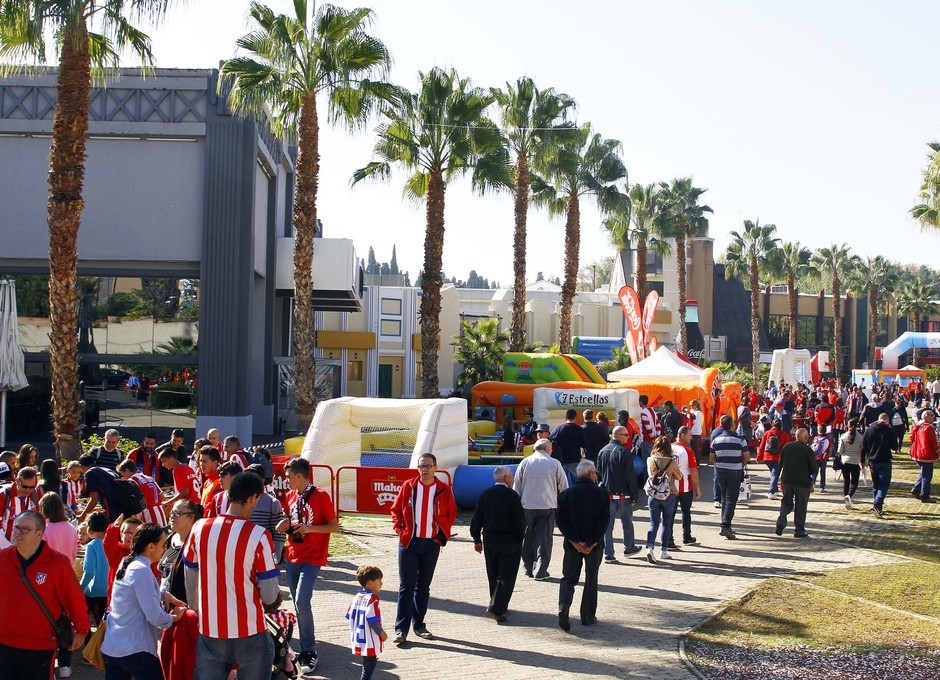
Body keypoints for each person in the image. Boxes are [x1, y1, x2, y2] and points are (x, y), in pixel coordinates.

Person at [184, 472, 281, 680]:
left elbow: (190, 571)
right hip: (249, 628)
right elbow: (270, 595)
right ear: (254, 497)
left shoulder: (199, 528)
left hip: (211, 626)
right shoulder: (259, 535)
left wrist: (196, 608)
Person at [0, 510, 89, 680]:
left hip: (39, 645)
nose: (18, 533)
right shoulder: (3, 559)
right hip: (4, 643)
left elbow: (74, 599)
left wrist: (82, 629)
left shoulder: (57, 563)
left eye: (25, 529)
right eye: (16, 528)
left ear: (39, 533)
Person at [275, 458, 338, 673]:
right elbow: (290, 518)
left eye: (288, 476)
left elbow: (334, 525)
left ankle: (309, 650)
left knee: (302, 600)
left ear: (299, 476)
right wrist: (284, 526)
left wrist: (311, 529)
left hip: (313, 557)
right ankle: (304, 647)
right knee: (298, 604)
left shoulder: (320, 496)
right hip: (293, 556)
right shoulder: (291, 496)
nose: (286, 480)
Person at [102, 523, 186, 680]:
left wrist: (162, 595)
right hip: (135, 648)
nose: (164, 549)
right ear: (151, 547)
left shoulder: (128, 562)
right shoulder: (141, 570)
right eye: (162, 545)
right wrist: (175, 618)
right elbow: (155, 617)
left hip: (114, 645)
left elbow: (131, 593)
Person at [389, 453, 456, 645]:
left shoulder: (443, 489)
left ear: (436, 467)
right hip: (409, 543)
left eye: (428, 466)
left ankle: (419, 625)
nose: (424, 470)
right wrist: (401, 531)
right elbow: (396, 511)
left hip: (431, 544)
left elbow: (451, 514)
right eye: (421, 466)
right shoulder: (409, 486)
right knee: (406, 587)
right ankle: (401, 629)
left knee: (423, 587)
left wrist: (440, 533)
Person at [555, 460, 609, 631]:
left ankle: (563, 606)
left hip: (572, 544)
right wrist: (591, 542)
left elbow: (560, 520)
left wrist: (574, 540)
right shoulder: (601, 494)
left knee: (568, 577)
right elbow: (604, 521)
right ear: (592, 474)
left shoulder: (565, 494)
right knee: (591, 579)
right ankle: (587, 616)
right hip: (594, 545)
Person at [469, 466, 524, 623]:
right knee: (506, 575)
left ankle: (495, 601)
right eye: (511, 475)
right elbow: (519, 521)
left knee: (493, 574)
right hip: (510, 541)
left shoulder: (486, 494)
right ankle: (497, 607)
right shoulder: (512, 496)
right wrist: (522, 538)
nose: (512, 478)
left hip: (490, 540)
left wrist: (476, 539)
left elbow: (477, 518)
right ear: (506, 477)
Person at [158, 500, 202, 680]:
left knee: (185, 666)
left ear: (192, 517)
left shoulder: (198, 544)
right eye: (172, 512)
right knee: (168, 661)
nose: (172, 516)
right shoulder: (170, 539)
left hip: (188, 615)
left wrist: (191, 609)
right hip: (169, 613)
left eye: (178, 513)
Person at [512, 438, 568, 580]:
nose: (552, 450)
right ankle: (541, 570)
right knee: (544, 539)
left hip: (527, 506)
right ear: (547, 449)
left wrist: (516, 504)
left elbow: (516, 485)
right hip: (547, 506)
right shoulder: (554, 463)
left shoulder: (525, 462)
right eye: (551, 449)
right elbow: (564, 486)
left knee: (528, 537)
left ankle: (527, 566)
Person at [37, 493, 79, 678]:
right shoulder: (71, 528)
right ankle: (65, 665)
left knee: (46, 626)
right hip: (67, 580)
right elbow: (73, 554)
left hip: (45, 583)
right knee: (65, 625)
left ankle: (48, 667)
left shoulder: (44, 530)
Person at [595, 425, 640, 562]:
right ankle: (629, 547)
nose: (628, 437)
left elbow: (599, 473)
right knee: (627, 523)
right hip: (624, 494)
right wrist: (634, 495)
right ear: (619, 436)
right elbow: (630, 476)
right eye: (626, 435)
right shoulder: (624, 452)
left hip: (608, 494)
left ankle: (609, 554)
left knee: (608, 526)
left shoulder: (602, 451)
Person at [710, 415, 750, 539]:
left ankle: (724, 524)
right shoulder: (740, 440)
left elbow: (712, 458)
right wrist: (740, 463)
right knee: (731, 499)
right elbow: (747, 457)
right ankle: (726, 525)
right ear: (733, 425)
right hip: (735, 472)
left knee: (723, 498)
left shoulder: (716, 440)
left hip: (720, 472)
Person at [775, 429, 818, 538]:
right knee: (801, 506)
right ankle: (799, 530)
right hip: (802, 482)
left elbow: (780, 463)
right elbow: (813, 469)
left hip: (787, 480)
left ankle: (782, 519)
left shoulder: (787, 447)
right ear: (805, 438)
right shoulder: (807, 450)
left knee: (786, 502)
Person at [346, 565, 387, 680]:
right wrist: (382, 633)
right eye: (379, 581)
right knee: (369, 667)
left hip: (359, 638)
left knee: (367, 665)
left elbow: (349, 615)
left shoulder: (357, 597)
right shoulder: (373, 599)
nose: (381, 583)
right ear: (370, 583)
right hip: (369, 640)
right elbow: (373, 620)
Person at [644, 437, 681, 563]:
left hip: (653, 495)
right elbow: (679, 476)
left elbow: (650, 474)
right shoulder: (671, 462)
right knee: (667, 523)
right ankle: (664, 551)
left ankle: (649, 548)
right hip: (668, 494)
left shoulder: (650, 460)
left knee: (653, 523)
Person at [860, 413, 899, 518]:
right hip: (885, 460)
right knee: (884, 484)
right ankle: (877, 503)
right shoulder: (889, 430)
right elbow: (894, 446)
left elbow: (863, 446)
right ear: (886, 420)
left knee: (875, 484)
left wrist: (862, 459)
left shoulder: (869, 429)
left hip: (873, 460)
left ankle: (876, 505)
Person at [244, 464, 286, 558]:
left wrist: (275, 558)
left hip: (265, 555)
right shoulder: (241, 502)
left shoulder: (272, 503)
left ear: (262, 481)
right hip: (244, 554)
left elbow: (279, 534)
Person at [671, 426, 702, 547]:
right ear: (682, 435)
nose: (692, 437)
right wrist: (698, 487)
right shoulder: (688, 450)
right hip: (685, 487)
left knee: (670, 514)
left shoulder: (668, 447)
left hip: (671, 487)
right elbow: (693, 470)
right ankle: (687, 537)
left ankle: (669, 539)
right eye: (689, 435)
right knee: (686, 512)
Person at [80, 513, 110, 630]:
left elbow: (89, 572)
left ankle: (87, 642)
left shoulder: (91, 546)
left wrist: (80, 588)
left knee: (81, 618)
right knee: (104, 625)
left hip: (93, 592)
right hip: (108, 591)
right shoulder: (110, 543)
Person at [116, 460, 167, 527]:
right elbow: (162, 496)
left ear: (126, 470)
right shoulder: (149, 478)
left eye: (122, 474)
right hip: (160, 514)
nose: (122, 477)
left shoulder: (132, 481)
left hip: (147, 517)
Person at [0, 466, 43, 541]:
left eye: (32, 487)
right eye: (25, 487)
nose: (28, 490)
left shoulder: (36, 494)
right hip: (5, 546)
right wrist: (9, 548)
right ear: (17, 481)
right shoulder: (3, 495)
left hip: (27, 547)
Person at [76, 454, 120, 523]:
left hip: (111, 510)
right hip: (123, 505)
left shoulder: (90, 473)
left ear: (81, 466)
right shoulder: (107, 470)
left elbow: (94, 500)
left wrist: (82, 516)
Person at [909, 409, 938, 503]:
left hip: (917, 452)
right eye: (932, 415)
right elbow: (932, 441)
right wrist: (938, 450)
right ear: (926, 416)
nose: (934, 417)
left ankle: (916, 489)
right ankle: (925, 495)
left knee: (923, 473)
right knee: (927, 476)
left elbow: (911, 438)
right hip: (925, 453)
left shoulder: (917, 426)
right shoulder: (927, 428)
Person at [757, 417, 790, 500]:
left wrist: (759, 457)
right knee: (775, 474)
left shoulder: (767, 433)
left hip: (767, 457)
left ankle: (775, 490)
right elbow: (787, 447)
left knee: (773, 474)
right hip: (778, 457)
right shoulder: (784, 434)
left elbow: (762, 446)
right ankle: (771, 492)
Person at [549, 409, 587, 479]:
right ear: (575, 418)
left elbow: (549, 440)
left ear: (566, 417)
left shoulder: (558, 429)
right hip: (574, 459)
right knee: (578, 481)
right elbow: (584, 444)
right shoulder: (579, 429)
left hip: (561, 460)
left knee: (561, 482)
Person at [838, 417, 863, 509]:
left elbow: (840, 451)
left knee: (846, 481)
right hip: (855, 461)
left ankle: (846, 498)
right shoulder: (860, 437)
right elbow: (861, 451)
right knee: (854, 482)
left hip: (845, 461)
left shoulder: (843, 436)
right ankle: (849, 496)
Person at [639, 395, 661, 460]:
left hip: (646, 440)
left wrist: (653, 437)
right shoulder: (653, 411)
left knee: (647, 461)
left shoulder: (643, 412)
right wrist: (657, 437)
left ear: (640, 402)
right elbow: (658, 425)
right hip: (653, 439)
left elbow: (648, 427)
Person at [811, 424, 832, 493]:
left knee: (814, 472)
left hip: (815, 458)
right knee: (823, 473)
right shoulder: (828, 439)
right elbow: (830, 449)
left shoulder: (815, 438)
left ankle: (812, 484)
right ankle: (822, 487)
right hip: (823, 458)